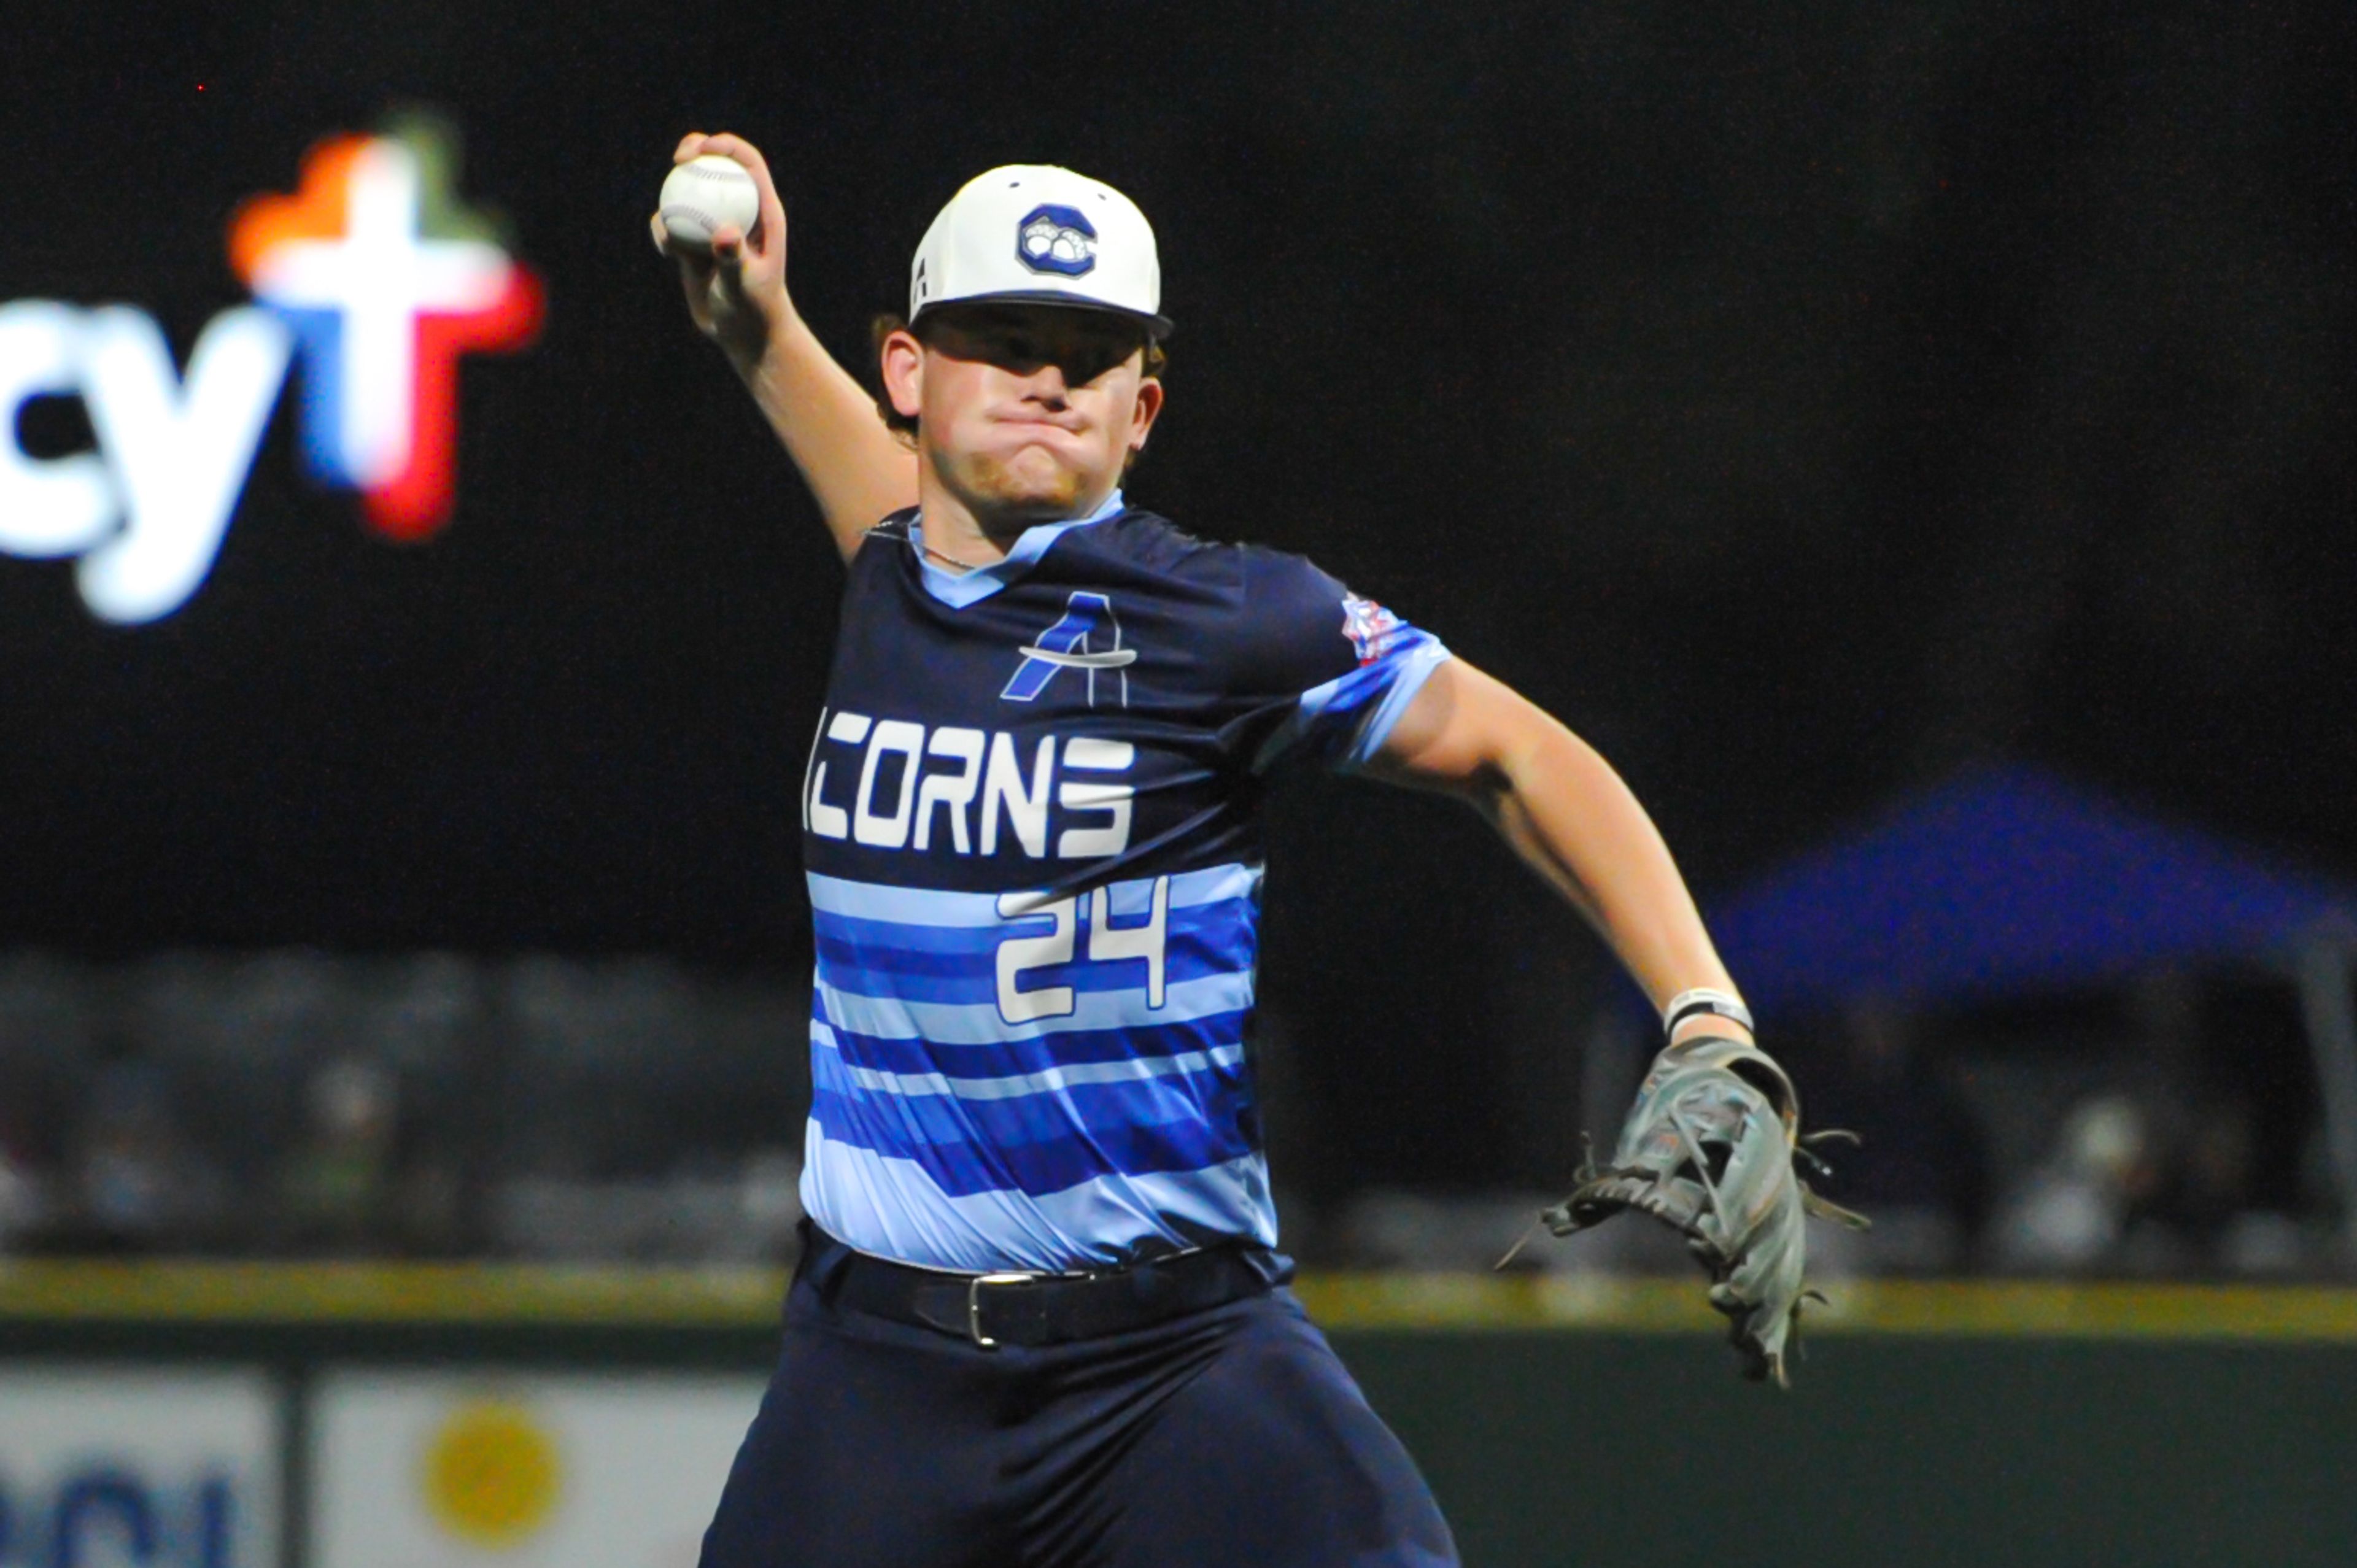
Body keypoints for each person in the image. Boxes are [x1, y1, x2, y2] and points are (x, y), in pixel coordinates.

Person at [656, 131, 1769, 1568]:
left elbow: (1517, 751)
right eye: (1003, 337)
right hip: (875, 1369)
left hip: (1169, 1367)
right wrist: (753, 323)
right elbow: (864, 470)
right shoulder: (895, 574)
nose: (1049, 375)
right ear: (909, 375)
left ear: (1144, 410)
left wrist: (1703, 1005)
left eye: (1093, 351)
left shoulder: (1231, 622)